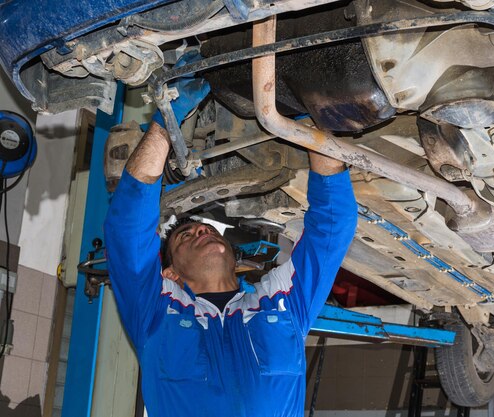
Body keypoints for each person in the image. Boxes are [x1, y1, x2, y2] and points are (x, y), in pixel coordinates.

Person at [103, 51, 358, 417]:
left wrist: (165, 123)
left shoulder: (159, 311)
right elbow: (332, 229)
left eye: (198, 230)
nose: (202, 229)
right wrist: (313, 123)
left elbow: (126, 231)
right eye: (185, 236)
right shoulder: (281, 304)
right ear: (170, 275)